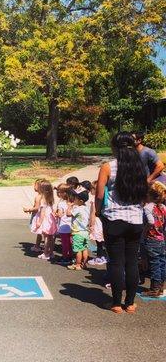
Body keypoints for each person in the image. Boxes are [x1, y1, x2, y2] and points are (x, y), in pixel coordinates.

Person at [95, 132, 148, 314]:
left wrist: (97, 211)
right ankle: (130, 303)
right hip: (135, 219)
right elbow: (144, 192)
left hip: (114, 219)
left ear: (114, 147)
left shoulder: (108, 167)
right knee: (132, 262)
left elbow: (100, 194)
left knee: (116, 262)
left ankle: (116, 303)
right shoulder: (140, 166)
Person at [141, 181, 166, 297]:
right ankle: (161, 286)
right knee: (162, 262)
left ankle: (154, 288)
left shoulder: (148, 207)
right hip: (162, 239)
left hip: (152, 238)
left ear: (149, 194)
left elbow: (150, 221)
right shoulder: (163, 207)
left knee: (154, 263)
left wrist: (144, 231)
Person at [30, 180, 57, 260]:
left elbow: (42, 212)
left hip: (45, 219)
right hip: (50, 219)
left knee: (46, 237)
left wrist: (39, 222)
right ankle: (51, 252)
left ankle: (45, 253)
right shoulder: (50, 198)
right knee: (51, 237)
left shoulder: (43, 200)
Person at [66, 190, 90, 271]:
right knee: (84, 248)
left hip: (78, 232)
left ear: (80, 201)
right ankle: (84, 263)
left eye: (76, 199)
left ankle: (78, 264)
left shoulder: (78, 209)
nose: (74, 200)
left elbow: (68, 214)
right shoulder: (87, 208)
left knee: (78, 250)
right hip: (85, 232)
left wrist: (69, 206)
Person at [87, 181, 107, 266]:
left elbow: (93, 213)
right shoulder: (104, 199)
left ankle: (99, 257)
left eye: (92, 188)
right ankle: (104, 256)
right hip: (103, 222)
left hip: (96, 222)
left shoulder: (94, 200)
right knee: (102, 241)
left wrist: (91, 225)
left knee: (98, 242)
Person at [23, 179, 44, 252]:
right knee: (42, 232)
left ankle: (38, 246)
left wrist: (28, 210)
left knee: (40, 232)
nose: (34, 186)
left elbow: (36, 208)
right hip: (42, 215)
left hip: (39, 216)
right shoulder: (43, 196)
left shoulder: (38, 197)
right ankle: (40, 246)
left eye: (35, 185)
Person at [55, 183, 73, 264]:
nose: (58, 193)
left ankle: (65, 257)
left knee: (65, 244)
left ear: (64, 193)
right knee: (71, 243)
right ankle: (71, 256)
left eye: (59, 192)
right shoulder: (72, 202)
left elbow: (60, 214)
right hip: (72, 226)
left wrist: (55, 214)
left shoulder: (61, 203)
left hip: (63, 226)